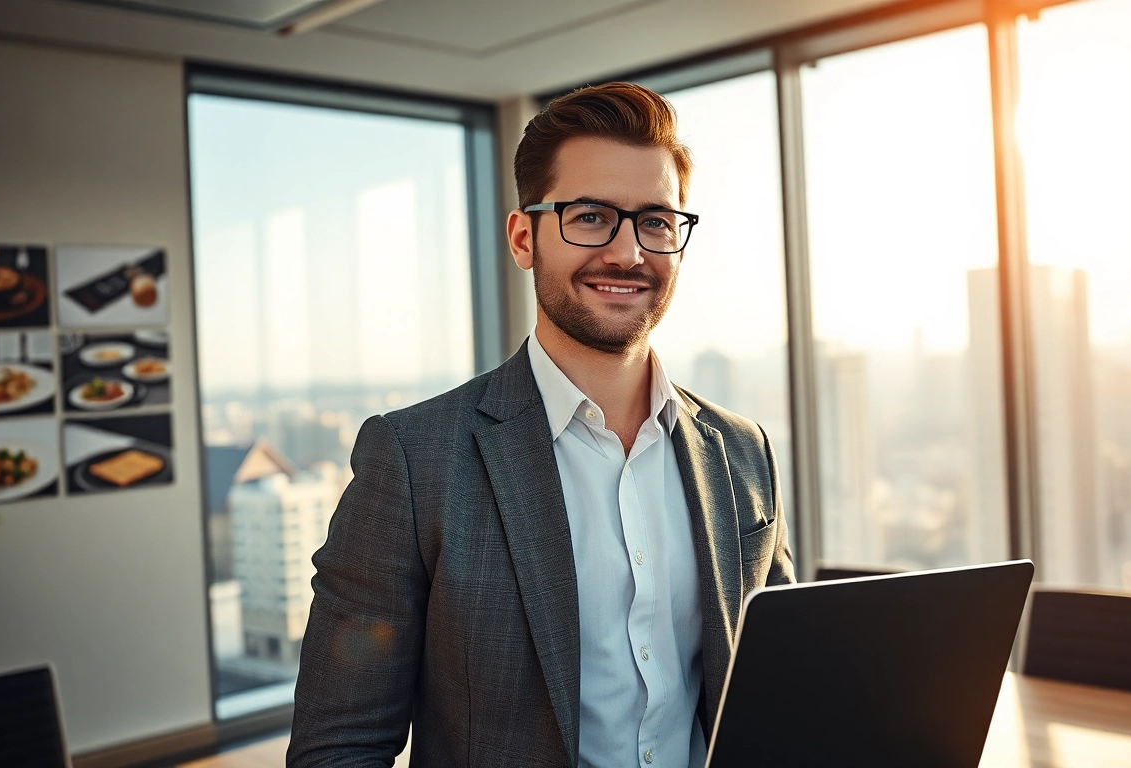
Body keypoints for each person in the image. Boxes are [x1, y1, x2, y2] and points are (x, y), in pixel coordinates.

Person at [288, 81, 795, 768]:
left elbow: (781, 687)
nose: (628, 253)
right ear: (524, 238)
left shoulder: (741, 451)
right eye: (591, 217)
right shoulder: (413, 461)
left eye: (655, 221)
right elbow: (337, 747)